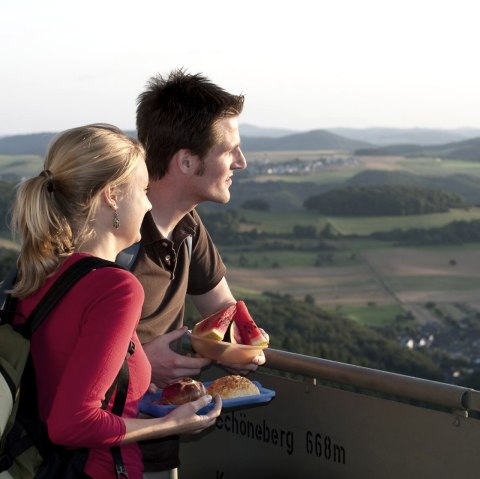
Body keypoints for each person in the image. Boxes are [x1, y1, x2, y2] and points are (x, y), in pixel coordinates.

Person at [9, 124, 222, 479]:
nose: (149, 202)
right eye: (142, 190)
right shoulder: (115, 288)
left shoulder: (38, 273)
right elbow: (72, 423)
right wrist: (171, 425)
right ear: (111, 196)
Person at [130, 69, 267, 477]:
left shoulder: (189, 228)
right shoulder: (113, 234)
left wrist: (238, 348)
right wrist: (139, 363)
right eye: (230, 151)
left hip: (160, 442)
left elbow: (223, 310)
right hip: (101, 449)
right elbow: (62, 338)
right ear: (186, 161)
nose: (241, 163)